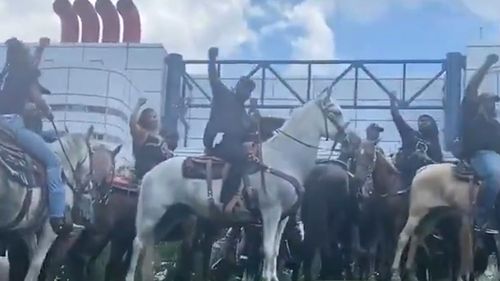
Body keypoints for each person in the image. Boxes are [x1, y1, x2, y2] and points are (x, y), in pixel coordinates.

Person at [0, 38, 72, 235]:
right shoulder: (25, 75)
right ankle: (57, 216)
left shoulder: (5, 74)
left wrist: (40, 49)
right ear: (23, 55)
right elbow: (37, 98)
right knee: (53, 162)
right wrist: (47, 111)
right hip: (12, 126)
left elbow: (31, 67)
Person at [202, 47, 257, 215]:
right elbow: (213, 78)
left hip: (233, 145)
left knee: (250, 158)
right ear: (237, 87)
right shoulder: (224, 95)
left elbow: (250, 134)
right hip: (219, 141)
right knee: (240, 157)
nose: (246, 93)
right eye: (244, 88)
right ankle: (230, 199)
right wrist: (212, 59)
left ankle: (243, 196)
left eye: (249, 91)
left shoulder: (245, 115)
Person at [460, 53, 500, 233]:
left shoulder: (496, 125)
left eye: (494, 101)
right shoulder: (472, 113)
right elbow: (472, 86)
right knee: (496, 173)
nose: (493, 104)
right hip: (480, 156)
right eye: (490, 100)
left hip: (496, 156)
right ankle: (482, 215)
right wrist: (487, 64)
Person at [390, 96, 443, 186]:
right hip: (405, 177)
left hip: (426, 180)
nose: (422, 122)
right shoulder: (410, 134)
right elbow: (397, 118)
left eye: (426, 120)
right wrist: (392, 102)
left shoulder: (435, 145)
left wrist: (426, 158)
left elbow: (438, 164)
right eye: (420, 121)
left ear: (433, 124)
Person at [130, 97, 173, 180]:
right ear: (145, 120)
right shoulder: (143, 134)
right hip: (147, 176)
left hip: (161, 176)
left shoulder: (161, 137)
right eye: (152, 117)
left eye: (156, 116)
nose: (156, 119)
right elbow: (132, 124)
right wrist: (138, 105)